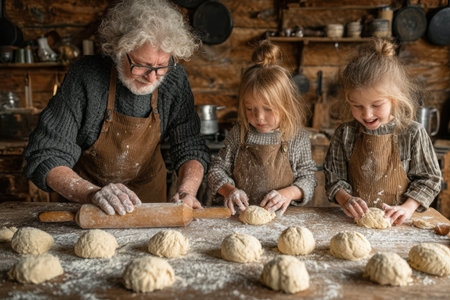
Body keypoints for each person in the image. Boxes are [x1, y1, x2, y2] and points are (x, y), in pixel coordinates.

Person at [23, 0, 210, 215]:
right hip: (88, 204)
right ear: (119, 50)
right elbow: (47, 154)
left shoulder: (174, 80)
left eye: (161, 67)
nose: (151, 78)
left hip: (149, 204)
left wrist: (187, 191)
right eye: (141, 65)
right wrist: (93, 193)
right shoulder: (86, 77)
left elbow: (190, 146)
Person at [324, 39, 442, 225]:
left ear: (395, 98)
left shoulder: (413, 133)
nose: (367, 114)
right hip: (351, 222)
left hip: (400, 223)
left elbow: (430, 179)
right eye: (357, 106)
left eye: (376, 105)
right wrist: (346, 199)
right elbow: (334, 178)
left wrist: (407, 207)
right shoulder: (345, 133)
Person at [208, 40, 317, 216]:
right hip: (240, 216)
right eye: (250, 109)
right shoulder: (240, 133)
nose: (259, 117)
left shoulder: (295, 136)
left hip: (282, 218)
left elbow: (309, 178)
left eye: (268, 109)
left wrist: (288, 193)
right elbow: (216, 170)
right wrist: (229, 191)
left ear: (285, 106)